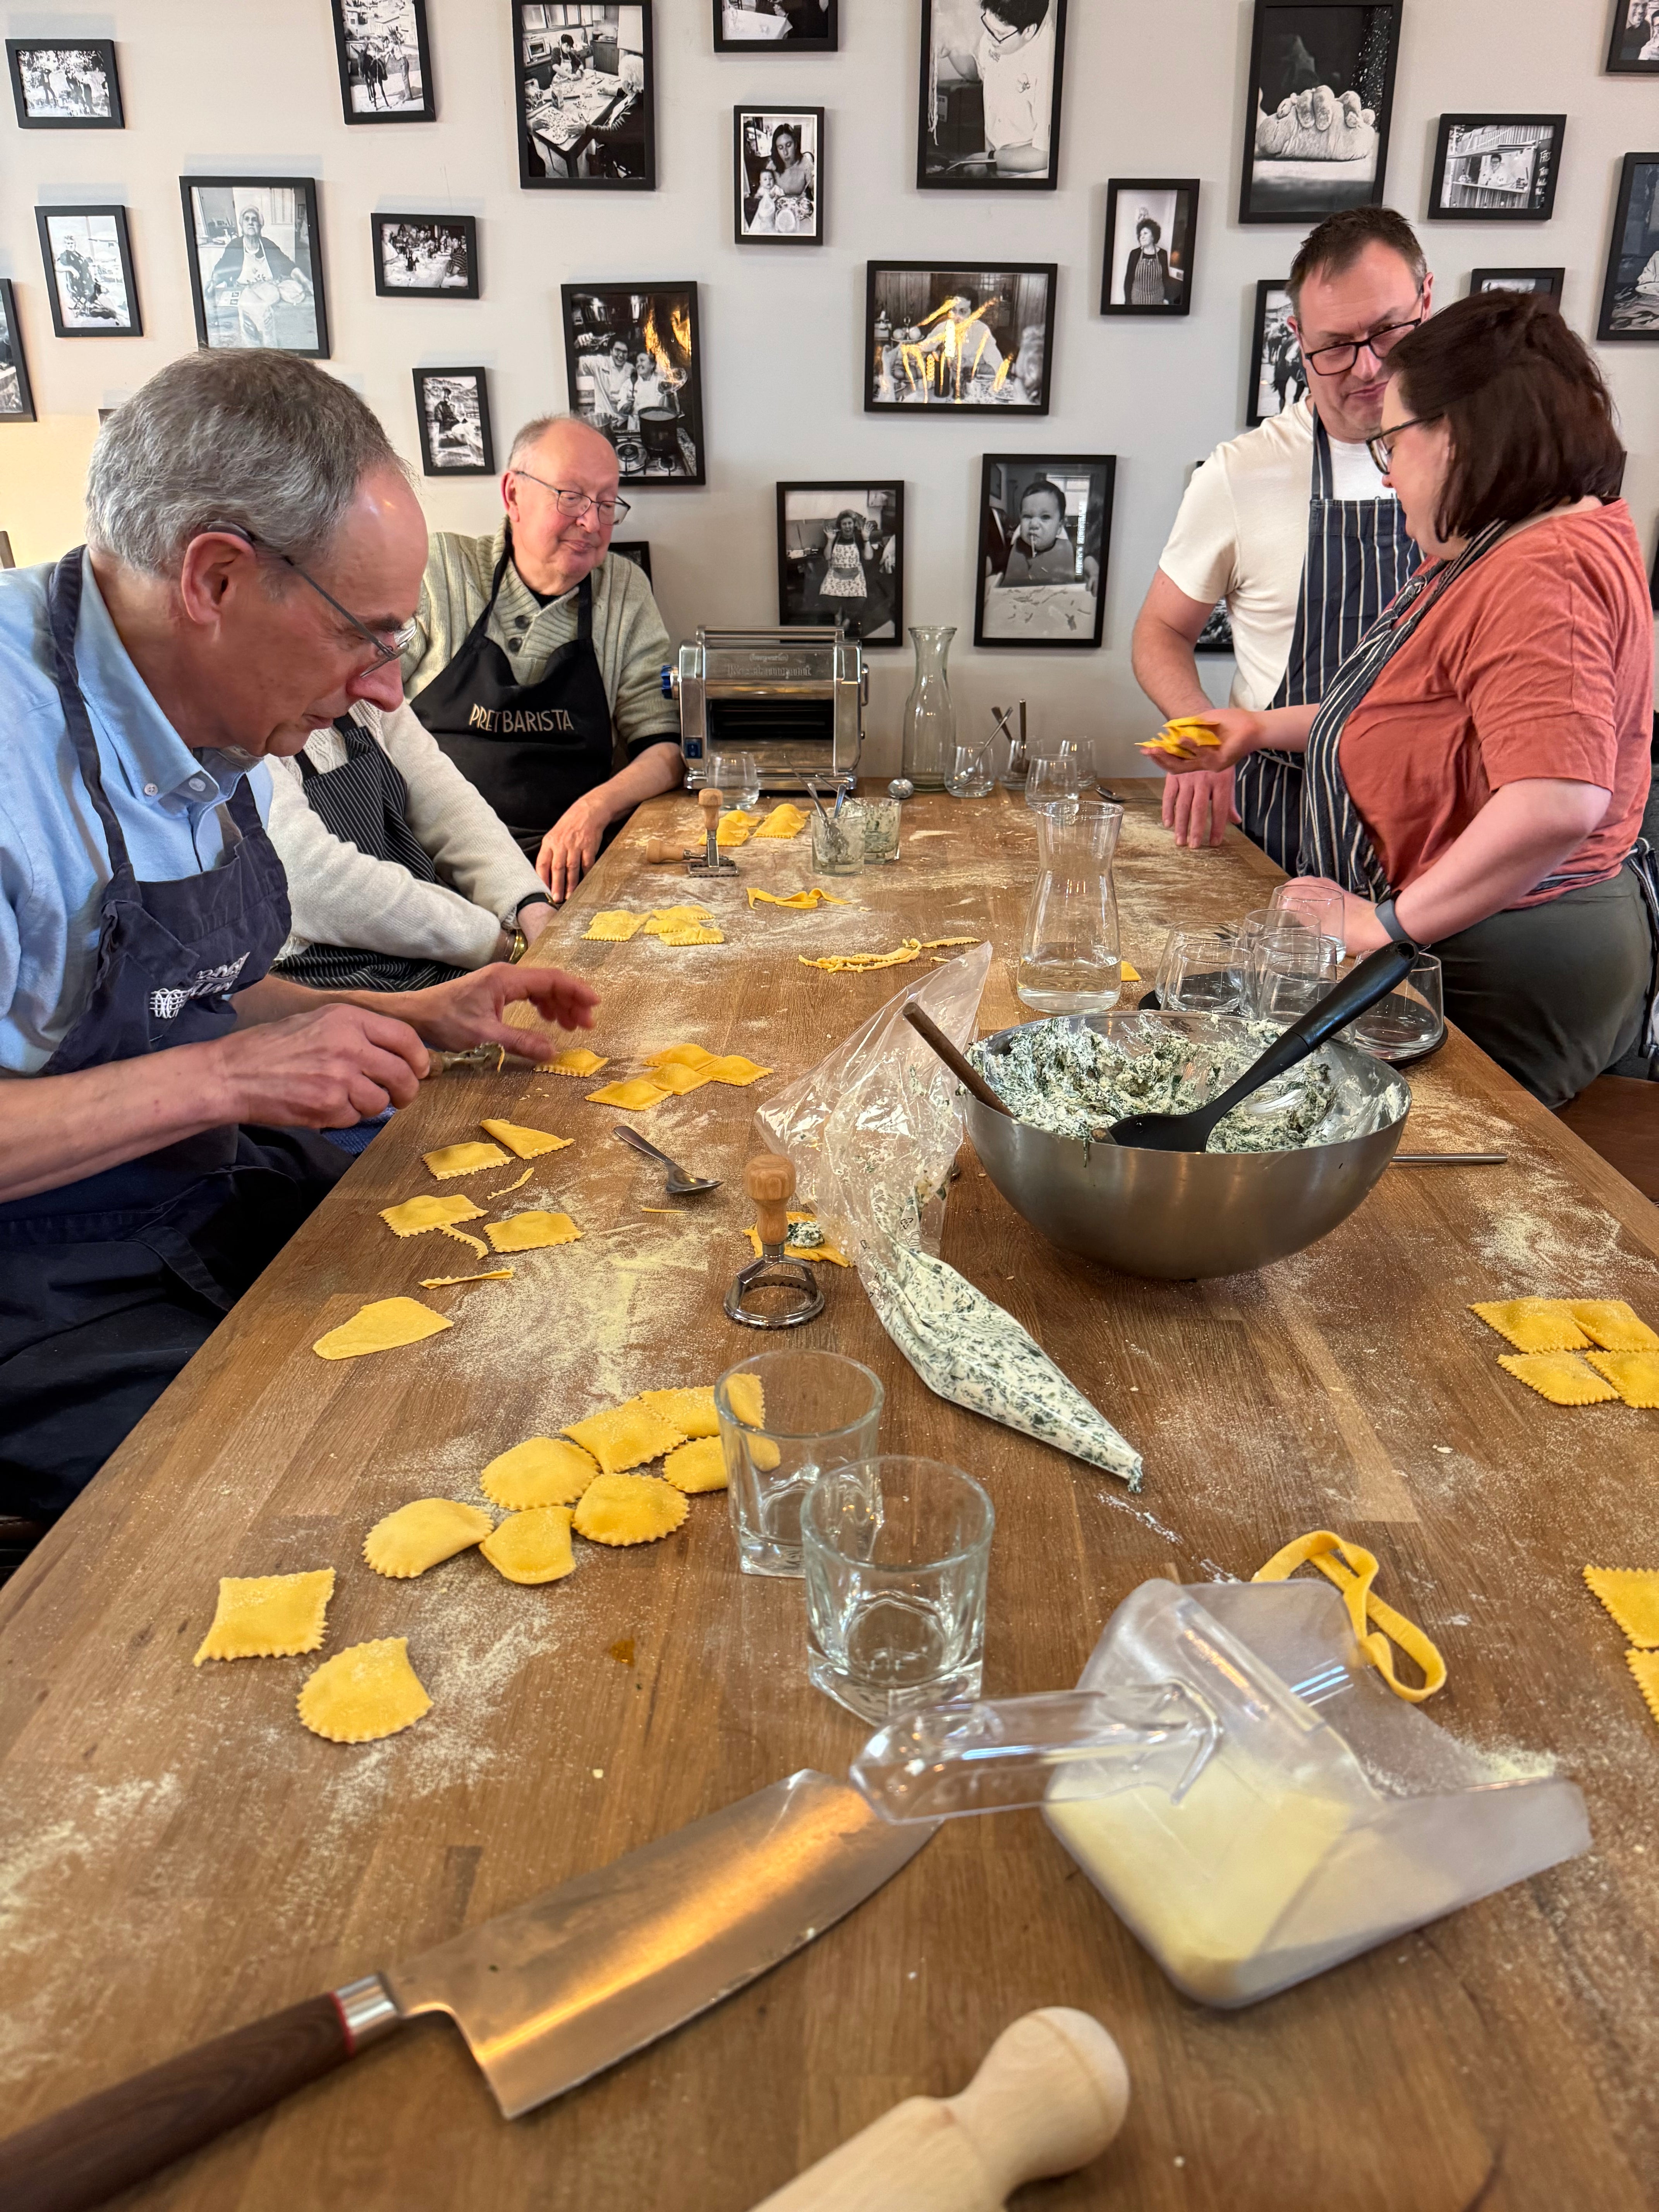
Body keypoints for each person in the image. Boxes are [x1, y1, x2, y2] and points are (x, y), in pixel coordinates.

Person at [0, 352, 599, 1523]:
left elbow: (181, 986)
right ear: (215, 578)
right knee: (333, 1492)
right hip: (38, 1287)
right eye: (366, 638)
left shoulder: (205, 696)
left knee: (497, 1326)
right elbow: (192, 1044)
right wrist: (223, 1074)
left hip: (179, 1186)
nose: (386, 691)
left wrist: (411, 1011)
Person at [1158, 292, 1654, 1109]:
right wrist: (1253, 728)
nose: (1389, 476)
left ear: (1460, 432)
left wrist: (1380, 928)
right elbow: (1411, 713)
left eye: (1392, 442)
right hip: (1479, 933)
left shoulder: (1541, 568)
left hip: (1510, 956)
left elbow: (1557, 799)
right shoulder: (1503, 547)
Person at [1132, 205, 1431, 859]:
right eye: (1333, 346)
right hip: (1283, 822)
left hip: (1435, 821)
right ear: (1296, 337)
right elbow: (1160, 630)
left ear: (1424, 300)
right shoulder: (1241, 473)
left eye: (1386, 332)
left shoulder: (1478, 462)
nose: (1364, 368)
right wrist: (1201, 733)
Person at [402, 414, 682, 903]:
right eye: (571, 496)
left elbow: (665, 751)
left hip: (568, 872)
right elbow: (360, 717)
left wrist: (592, 811)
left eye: (607, 502)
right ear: (513, 495)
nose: (591, 522)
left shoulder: (624, 591)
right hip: (431, 870)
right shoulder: (439, 571)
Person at [935, 0, 1055, 176]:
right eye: (987, 26)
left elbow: (1045, 154)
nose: (990, 38)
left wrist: (989, 161)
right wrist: (953, 47)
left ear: (1029, 31)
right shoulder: (999, 32)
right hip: (992, 163)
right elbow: (978, 74)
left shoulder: (1049, 64)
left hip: (1027, 181)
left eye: (998, 34)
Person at [207, 205, 311, 350]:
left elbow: (288, 265)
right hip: (245, 291)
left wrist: (306, 282)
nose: (251, 223)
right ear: (242, 225)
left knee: (294, 297)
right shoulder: (235, 246)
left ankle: (269, 350)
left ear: (260, 225)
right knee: (257, 313)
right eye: (247, 219)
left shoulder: (267, 245)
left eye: (254, 220)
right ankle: (261, 350)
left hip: (269, 289)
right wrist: (213, 282)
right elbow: (222, 269)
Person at [1123, 214, 1180, 308]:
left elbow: (1166, 280)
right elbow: (1128, 281)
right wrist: (1128, 304)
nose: (1142, 237)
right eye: (1141, 235)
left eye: (1145, 234)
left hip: (1157, 302)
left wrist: (1171, 301)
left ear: (1154, 236)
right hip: (1137, 302)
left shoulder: (1163, 254)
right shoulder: (1135, 254)